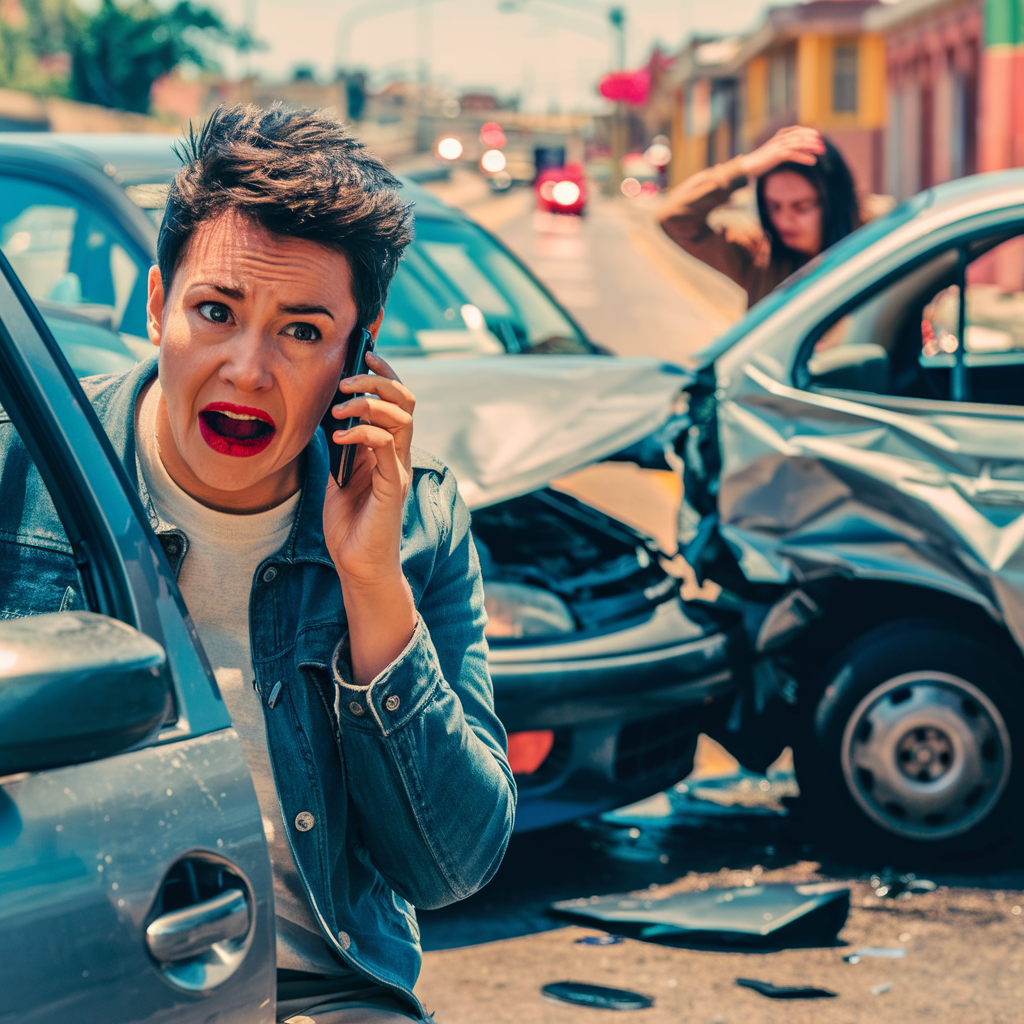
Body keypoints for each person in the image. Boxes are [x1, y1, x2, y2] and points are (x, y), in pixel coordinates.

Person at [0, 105, 515, 1022]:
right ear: (156, 303)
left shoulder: (421, 522)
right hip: (68, 983)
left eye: (303, 332)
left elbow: (451, 867)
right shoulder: (21, 475)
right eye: (216, 312)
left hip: (316, 993)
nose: (247, 369)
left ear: (362, 351)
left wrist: (370, 580)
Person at [658, 125, 861, 308]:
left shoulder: (875, 247)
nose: (783, 220)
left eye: (801, 208)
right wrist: (745, 167)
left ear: (834, 202)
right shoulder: (760, 256)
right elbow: (675, 218)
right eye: (774, 207)